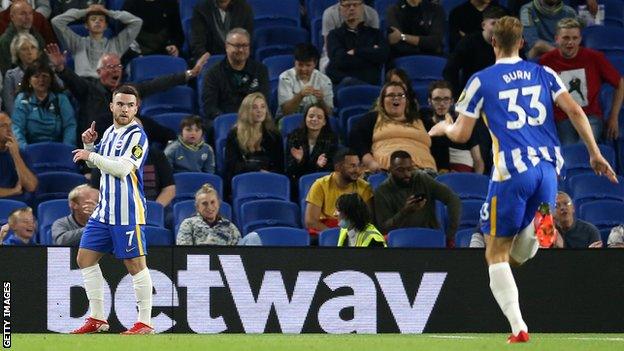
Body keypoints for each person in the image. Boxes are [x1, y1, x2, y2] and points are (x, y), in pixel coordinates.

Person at [428, 16, 617, 343]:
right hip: (548, 172)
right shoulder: (544, 72)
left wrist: (442, 127)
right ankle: (530, 226)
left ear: (492, 43)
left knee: (495, 255)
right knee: (517, 254)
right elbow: (575, 111)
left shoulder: (481, 80)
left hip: (512, 172)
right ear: (521, 43)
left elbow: (461, 134)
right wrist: (594, 153)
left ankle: (518, 328)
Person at [70, 85, 154, 334]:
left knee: (135, 265)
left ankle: (145, 322)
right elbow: (102, 166)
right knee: (84, 259)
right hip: (105, 210)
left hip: (127, 211)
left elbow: (122, 169)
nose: (125, 109)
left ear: (136, 108)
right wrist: (92, 147)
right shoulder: (108, 132)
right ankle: (97, 318)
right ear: (112, 106)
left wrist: (90, 156)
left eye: (130, 105)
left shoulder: (137, 136)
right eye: (120, 104)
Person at [45, 43, 210, 145]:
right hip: (99, 143)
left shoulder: (128, 90)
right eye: (110, 67)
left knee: (161, 132)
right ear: (98, 71)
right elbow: (72, 80)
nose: (115, 70)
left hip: (127, 142)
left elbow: (157, 84)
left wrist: (189, 74)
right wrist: (60, 68)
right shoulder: (89, 89)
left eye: (118, 67)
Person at [540, 17, 623, 144]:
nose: (570, 43)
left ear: (580, 39)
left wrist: (613, 117)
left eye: (575, 38)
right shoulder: (546, 61)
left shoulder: (594, 57)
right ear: (557, 39)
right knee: (570, 150)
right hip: (563, 118)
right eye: (566, 38)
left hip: (590, 117)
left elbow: (620, 83)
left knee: (586, 147)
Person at [374, 150, 461, 245]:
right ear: (390, 170)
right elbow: (383, 229)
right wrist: (405, 211)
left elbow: (453, 199)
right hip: (401, 242)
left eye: (409, 169)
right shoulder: (381, 191)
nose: (407, 174)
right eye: (401, 170)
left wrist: (450, 235)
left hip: (429, 237)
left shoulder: (421, 179)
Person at [350, 82, 435, 173]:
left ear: (406, 101)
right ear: (382, 101)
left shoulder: (421, 119)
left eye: (401, 95)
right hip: (386, 171)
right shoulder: (373, 118)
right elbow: (357, 140)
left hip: (426, 171)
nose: (396, 98)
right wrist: (371, 163)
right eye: (391, 95)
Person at [51, 4, 143, 78]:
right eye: (93, 19)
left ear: (106, 26)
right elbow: (56, 21)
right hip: (82, 86)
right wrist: (86, 11)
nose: (97, 22)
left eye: (101, 20)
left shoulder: (117, 44)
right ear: (86, 25)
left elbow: (137, 22)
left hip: (106, 87)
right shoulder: (77, 43)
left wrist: (108, 12)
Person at [201, 27, 269, 121]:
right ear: (227, 47)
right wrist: (231, 120)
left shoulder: (260, 70)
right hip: (226, 122)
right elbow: (210, 108)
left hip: (253, 121)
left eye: (245, 45)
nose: (241, 50)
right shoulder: (213, 74)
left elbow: (264, 100)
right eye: (237, 46)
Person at [305, 148, 373, 236]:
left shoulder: (365, 187)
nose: (357, 170)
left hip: (354, 234)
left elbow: (368, 221)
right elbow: (310, 221)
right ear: (338, 167)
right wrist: (336, 235)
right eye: (352, 166)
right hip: (326, 234)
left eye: (358, 165)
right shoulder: (320, 185)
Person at [421, 80, 485, 174]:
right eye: (437, 99)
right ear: (429, 101)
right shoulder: (423, 123)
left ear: (452, 102)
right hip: (433, 174)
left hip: (462, 175)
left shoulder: (463, 125)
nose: (442, 103)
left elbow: (478, 161)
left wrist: (476, 182)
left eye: (446, 99)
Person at [443, 5, 506, 98]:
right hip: (473, 94)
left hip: (502, 93)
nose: (498, 28)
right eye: (493, 24)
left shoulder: (509, 42)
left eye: (501, 24)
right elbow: (450, 70)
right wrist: (458, 97)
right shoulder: (468, 42)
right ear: (483, 25)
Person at [11, 61, 76, 148]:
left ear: (51, 79)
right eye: (36, 77)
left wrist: (67, 148)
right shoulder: (22, 99)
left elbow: (70, 125)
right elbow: (17, 127)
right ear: (29, 80)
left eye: (44, 76)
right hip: (30, 149)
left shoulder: (61, 99)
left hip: (58, 148)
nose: (41, 80)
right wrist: (24, 149)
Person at [326, 0, 389, 88]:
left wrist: (356, 51)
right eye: (347, 5)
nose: (351, 8)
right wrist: (370, 53)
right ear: (340, 9)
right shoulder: (334, 35)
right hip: (343, 84)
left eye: (355, 5)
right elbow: (338, 60)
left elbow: (383, 55)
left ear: (362, 8)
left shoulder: (375, 34)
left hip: (369, 82)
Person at [224, 92, 283, 179]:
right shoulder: (234, 134)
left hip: (268, 179)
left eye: (263, 107)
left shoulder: (274, 135)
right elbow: (231, 167)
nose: (260, 110)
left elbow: (280, 167)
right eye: (255, 107)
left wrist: (269, 174)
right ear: (246, 111)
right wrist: (257, 170)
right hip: (243, 180)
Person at [3, 32, 62, 114]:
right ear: (17, 53)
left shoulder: (49, 70)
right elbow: (9, 104)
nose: (29, 52)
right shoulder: (11, 76)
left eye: (33, 47)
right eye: (24, 49)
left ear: (38, 51)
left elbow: (60, 90)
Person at [285, 103, 339, 185]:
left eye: (319, 117)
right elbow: (289, 169)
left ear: (324, 122)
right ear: (305, 119)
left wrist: (315, 165)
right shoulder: (295, 136)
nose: (314, 119)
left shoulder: (331, 139)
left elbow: (330, 169)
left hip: (321, 182)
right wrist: (299, 161)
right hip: (297, 181)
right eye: (311, 116)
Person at [277, 43, 333, 118]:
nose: (303, 69)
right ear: (295, 62)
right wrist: (300, 95)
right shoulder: (285, 78)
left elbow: (329, 114)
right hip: (289, 120)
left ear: (315, 63)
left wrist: (321, 101)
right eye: (300, 65)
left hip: (314, 120)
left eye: (308, 65)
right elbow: (286, 112)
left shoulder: (325, 80)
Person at [190, 0, 254, 64]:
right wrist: (207, 60)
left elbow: (247, 41)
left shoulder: (244, 8)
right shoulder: (201, 9)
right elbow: (198, 43)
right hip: (211, 61)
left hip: (237, 59)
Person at [176, 183, 241, 245]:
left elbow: (239, 253)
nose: (209, 207)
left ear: (218, 203)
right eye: (204, 203)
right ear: (197, 207)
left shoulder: (230, 227)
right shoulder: (188, 224)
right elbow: (184, 253)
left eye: (212, 202)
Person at [0, 1, 49, 74]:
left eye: (30, 13)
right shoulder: (5, 41)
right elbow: (7, 72)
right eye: (23, 14)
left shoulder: (36, 35)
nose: (28, 17)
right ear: (12, 17)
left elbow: (45, 61)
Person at [0, 112, 38, 200]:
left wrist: (15, 155)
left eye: (10, 125)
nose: (9, 130)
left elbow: (31, 186)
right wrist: (13, 191)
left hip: (17, 207)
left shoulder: (21, 153)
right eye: (3, 126)